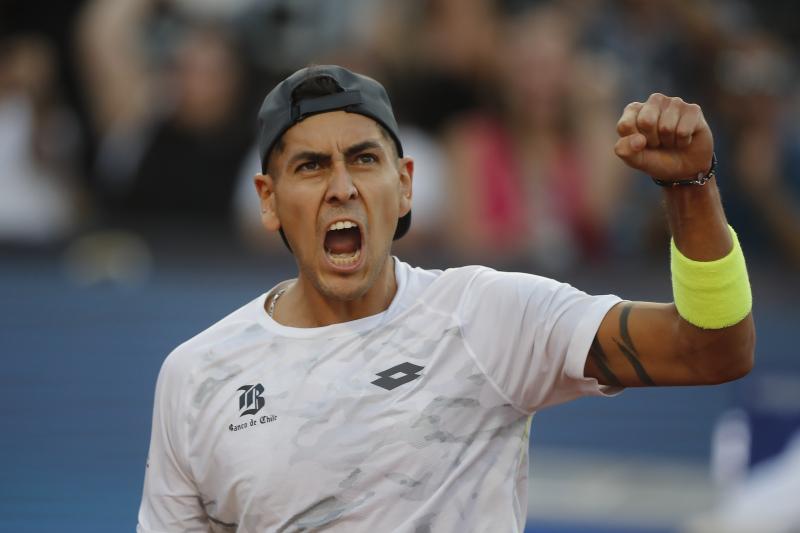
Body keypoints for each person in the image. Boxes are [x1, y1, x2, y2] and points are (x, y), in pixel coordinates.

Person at [137, 65, 755, 532]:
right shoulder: (197, 376)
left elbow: (710, 351)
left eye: (364, 159)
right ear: (267, 199)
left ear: (404, 185)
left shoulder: (487, 315)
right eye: (310, 167)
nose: (342, 188)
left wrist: (690, 189)